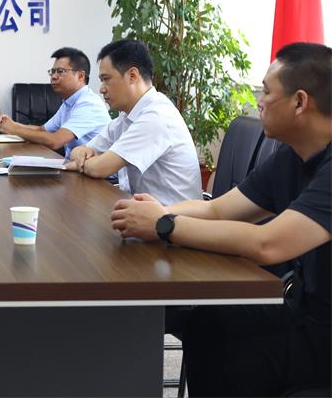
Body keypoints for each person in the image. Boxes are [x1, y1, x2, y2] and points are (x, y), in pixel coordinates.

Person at [111, 42, 331, 396]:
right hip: (304, 309)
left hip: (324, 334)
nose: (259, 102)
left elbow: (269, 244)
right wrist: (157, 213)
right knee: (206, 323)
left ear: (300, 102)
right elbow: (217, 209)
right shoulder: (292, 157)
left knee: (235, 361)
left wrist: (165, 225)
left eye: (267, 92)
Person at [66, 39, 201, 205]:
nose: (101, 89)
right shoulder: (126, 117)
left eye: (106, 79)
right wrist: (82, 154)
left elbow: (100, 168)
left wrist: (85, 162)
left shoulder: (156, 116)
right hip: (142, 210)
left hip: (172, 217)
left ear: (132, 76)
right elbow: (81, 150)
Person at [0, 47, 110, 157]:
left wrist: (14, 130)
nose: (54, 77)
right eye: (52, 71)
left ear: (80, 76)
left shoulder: (89, 104)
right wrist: (11, 124)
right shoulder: (69, 102)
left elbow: (55, 141)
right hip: (75, 165)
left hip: (95, 170)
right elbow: (41, 130)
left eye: (60, 71)